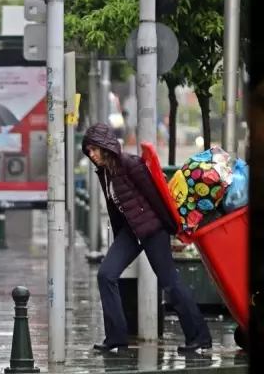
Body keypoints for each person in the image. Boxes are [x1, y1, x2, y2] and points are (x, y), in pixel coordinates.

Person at [81, 122, 212, 353]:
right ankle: (116, 338)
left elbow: (155, 196)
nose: (92, 155)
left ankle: (199, 337)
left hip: (152, 229)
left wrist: (173, 229)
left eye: (94, 149)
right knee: (106, 275)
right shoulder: (105, 172)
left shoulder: (130, 164)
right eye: (88, 151)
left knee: (170, 283)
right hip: (131, 232)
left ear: (105, 145)